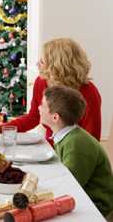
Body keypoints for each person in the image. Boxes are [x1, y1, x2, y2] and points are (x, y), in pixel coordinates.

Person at [0, 38, 101, 145]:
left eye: (42, 61)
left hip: (76, 151)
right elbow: (33, 117)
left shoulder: (89, 93)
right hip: (50, 147)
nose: (37, 64)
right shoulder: (42, 82)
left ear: (58, 67)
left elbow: (92, 140)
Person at [39, 85, 113, 219]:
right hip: (83, 198)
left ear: (55, 117)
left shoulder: (76, 144)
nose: (39, 108)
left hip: (96, 205)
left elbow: (70, 185)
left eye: (42, 105)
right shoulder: (67, 136)